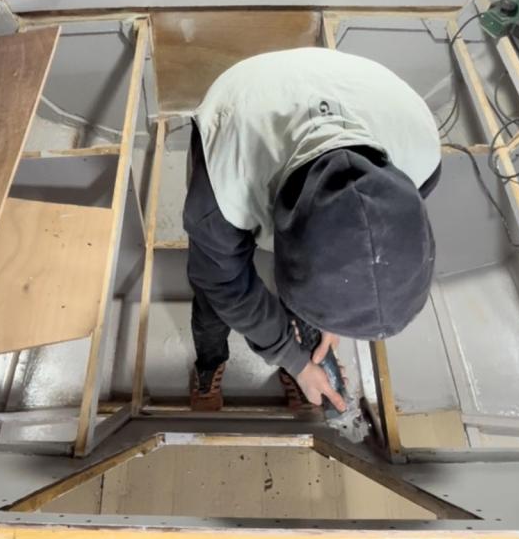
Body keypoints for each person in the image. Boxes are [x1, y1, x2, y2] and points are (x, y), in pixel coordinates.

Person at [183, 46, 441, 412]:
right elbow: (223, 283)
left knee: (316, 296)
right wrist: (293, 359)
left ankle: (305, 351)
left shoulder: (422, 156)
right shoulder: (221, 192)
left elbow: (366, 251)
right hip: (245, 97)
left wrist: (331, 319)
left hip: (369, 93)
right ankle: (209, 361)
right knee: (213, 299)